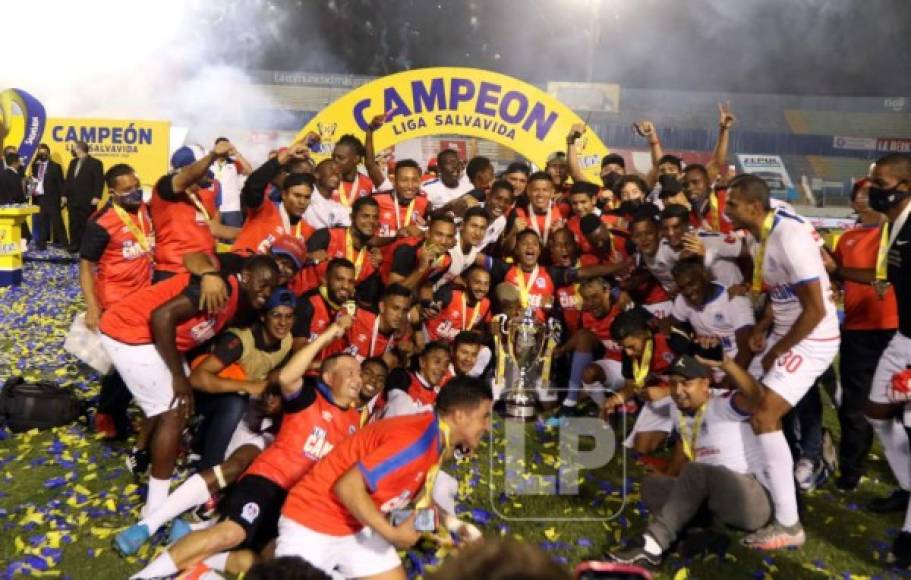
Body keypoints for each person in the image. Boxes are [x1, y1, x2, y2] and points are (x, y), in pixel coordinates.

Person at [128, 317, 359, 579]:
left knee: (266, 560)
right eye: (350, 371)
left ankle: (197, 564)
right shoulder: (308, 397)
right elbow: (287, 376)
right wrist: (329, 334)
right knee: (230, 532)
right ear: (328, 377)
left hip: (295, 503)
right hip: (267, 481)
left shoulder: (355, 424)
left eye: (358, 373)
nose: (358, 378)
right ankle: (143, 575)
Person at [98, 255, 279, 517]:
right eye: (263, 284)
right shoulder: (223, 288)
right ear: (247, 276)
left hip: (154, 339)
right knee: (174, 409)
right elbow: (162, 316)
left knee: (173, 406)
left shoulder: (238, 301)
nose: (266, 293)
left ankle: (141, 455)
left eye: (272, 288)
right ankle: (154, 508)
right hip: (130, 332)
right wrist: (178, 377)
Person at [274, 376, 493, 580]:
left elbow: (417, 501)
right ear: (459, 415)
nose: (489, 426)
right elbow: (347, 487)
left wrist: (453, 529)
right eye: (485, 416)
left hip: (357, 525)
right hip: (312, 522)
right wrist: (392, 534)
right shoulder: (416, 441)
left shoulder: (434, 437)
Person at [724, 173, 840, 549]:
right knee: (741, 399)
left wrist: (777, 349)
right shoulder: (760, 234)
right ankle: (760, 479)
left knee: (764, 414)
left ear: (754, 207)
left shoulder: (789, 237)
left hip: (813, 338)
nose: (726, 211)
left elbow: (816, 308)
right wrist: (764, 327)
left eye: (732, 205)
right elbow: (784, 295)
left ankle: (788, 525)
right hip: (786, 332)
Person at [608, 354, 767, 567]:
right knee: (653, 484)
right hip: (714, 500)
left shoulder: (724, 402)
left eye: (686, 383)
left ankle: (652, 546)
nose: (678, 390)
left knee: (696, 471)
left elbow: (757, 397)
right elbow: (685, 446)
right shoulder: (677, 408)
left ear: (705, 384)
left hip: (751, 499)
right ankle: (703, 535)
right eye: (673, 384)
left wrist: (726, 363)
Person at [857, 153, 911, 566]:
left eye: (880, 181)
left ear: (905, 186)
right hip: (903, 338)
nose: (873, 187)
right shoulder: (895, 223)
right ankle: (908, 483)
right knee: (877, 412)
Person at [830, 179, 898, 491]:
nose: (867, 197)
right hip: (857, 331)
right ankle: (851, 469)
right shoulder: (844, 239)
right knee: (855, 406)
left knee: (900, 407)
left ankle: (901, 478)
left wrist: (840, 273)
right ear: (854, 202)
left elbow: (882, 278)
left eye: (874, 192)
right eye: (861, 193)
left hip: (896, 330)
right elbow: (837, 280)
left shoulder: (899, 233)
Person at [79, 164, 154, 440]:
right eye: (128, 190)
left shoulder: (145, 211)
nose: (136, 193)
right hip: (117, 303)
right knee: (123, 364)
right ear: (113, 193)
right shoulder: (100, 222)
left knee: (135, 363)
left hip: (145, 298)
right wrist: (92, 307)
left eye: (137, 186)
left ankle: (118, 412)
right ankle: (106, 415)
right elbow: (86, 267)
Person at [188, 288, 296, 472]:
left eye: (289, 316)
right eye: (276, 315)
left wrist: (271, 393)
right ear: (263, 317)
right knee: (234, 404)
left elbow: (272, 372)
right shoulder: (239, 341)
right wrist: (250, 386)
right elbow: (196, 378)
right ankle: (207, 470)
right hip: (203, 398)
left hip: (244, 397)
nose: (283, 323)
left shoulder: (286, 341)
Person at [150, 143, 232, 281]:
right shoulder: (164, 188)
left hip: (203, 269)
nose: (207, 177)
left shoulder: (198, 196)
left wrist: (246, 232)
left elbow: (211, 228)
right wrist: (213, 156)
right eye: (203, 172)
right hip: (175, 272)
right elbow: (184, 178)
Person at [602, 308, 678, 454]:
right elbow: (632, 385)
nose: (628, 352)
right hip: (663, 397)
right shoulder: (628, 354)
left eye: (631, 346)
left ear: (644, 334)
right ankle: (672, 432)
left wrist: (666, 391)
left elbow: (701, 377)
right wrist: (615, 399)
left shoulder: (670, 340)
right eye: (624, 347)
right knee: (641, 449)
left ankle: (678, 430)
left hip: (690, 394)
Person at [233, 139, 317, 254]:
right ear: (284, 194)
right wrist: (285, 155)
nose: (302, 201)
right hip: (243, 266)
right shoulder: (264, 210)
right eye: (297, 195)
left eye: (307, 197)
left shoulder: (307, 231)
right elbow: (253, 185)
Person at [303, 196, 383, 304]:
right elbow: (294, 262)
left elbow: (366, 301)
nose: (371, 221)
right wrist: (309, 256)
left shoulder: (371, 261)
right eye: (365, 216)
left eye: (375, 217)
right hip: (303, 302)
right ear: (352, 217)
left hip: (336, 313)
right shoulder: (328, 236)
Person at [378, 341, 452, 418]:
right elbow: (396, 414)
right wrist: (430, 409)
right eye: (437, 362)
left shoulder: (439, 399)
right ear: (422, 362)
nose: (442, 369)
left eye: (446, 365)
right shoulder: (401, 377)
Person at [388, 212, 457, 291]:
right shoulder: (407, 250)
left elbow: (427, 287)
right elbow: (392, 292)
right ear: (427, 234)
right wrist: (421, 268)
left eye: (449, 236)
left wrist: (427, 303)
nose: (444, 241)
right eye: (439, 234)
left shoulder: (446, 260)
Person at [343, 284, 412, 364]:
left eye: (405, 311)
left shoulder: (401, 337)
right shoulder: (358, 317)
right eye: (395, 308)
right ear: (382, 306)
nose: (400, 315)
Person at [424, 265, 492, 343]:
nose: (482, 288)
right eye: (477, 282)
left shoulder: (485, 304)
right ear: (466, 283)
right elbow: (424, 311)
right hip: (431, 343)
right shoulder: (449, 295)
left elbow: (484, 328)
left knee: (485, 352)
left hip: (454, 347)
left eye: (486, 284)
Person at [63, 140, 104, 253]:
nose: (73, 150)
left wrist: (97, 196)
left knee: (87, 224)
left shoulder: (95, 163)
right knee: (74, 223)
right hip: (73, 200)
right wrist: (64, 195)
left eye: (74, 148)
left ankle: (86, 247)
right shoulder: (73, 162)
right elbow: (69, 180)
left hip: (87, 200)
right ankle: (74, 245)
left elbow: (99, 181)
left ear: (79, 149)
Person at [373, 159, 429, 239]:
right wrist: (396, 235)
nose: (410, 186)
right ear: (394, 181)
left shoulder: (425, 203)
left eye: (415, 180)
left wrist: (423, 231)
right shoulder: (376, 201)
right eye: (404, 180)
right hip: (381, 250)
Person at [29, 143, 67, 250]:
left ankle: (64, 244)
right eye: (40, 153)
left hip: (52, 198)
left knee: (57, 222)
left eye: (44, 152)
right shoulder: (35, 166)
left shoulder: (55, 166)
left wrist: (63, 196)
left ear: (48, 153)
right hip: (39, 198)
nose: (42, 155)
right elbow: (33, 180)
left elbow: (61, 183)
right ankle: (41, 245)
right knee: (41, 222)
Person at [212, 137, 253, 228]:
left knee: (233, 240)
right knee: (214, 239)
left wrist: (236, 153)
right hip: (214, 209)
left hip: (232, 209)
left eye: (226, 146)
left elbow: (250, 171)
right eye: (221, 146)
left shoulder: (234, 164)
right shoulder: (209, 164)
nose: (224, 149)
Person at [302, 159, 351, 229]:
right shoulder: (303, 195)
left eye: (339, 171)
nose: (336, 172)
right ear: (316, 174)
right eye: (331, 168)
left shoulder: (340, 209)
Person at [331, 134, 374, 206]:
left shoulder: (368, 184)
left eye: (341, 158)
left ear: (356, 159)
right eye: (333, 157)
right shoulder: (328, 182)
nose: (335, 161)